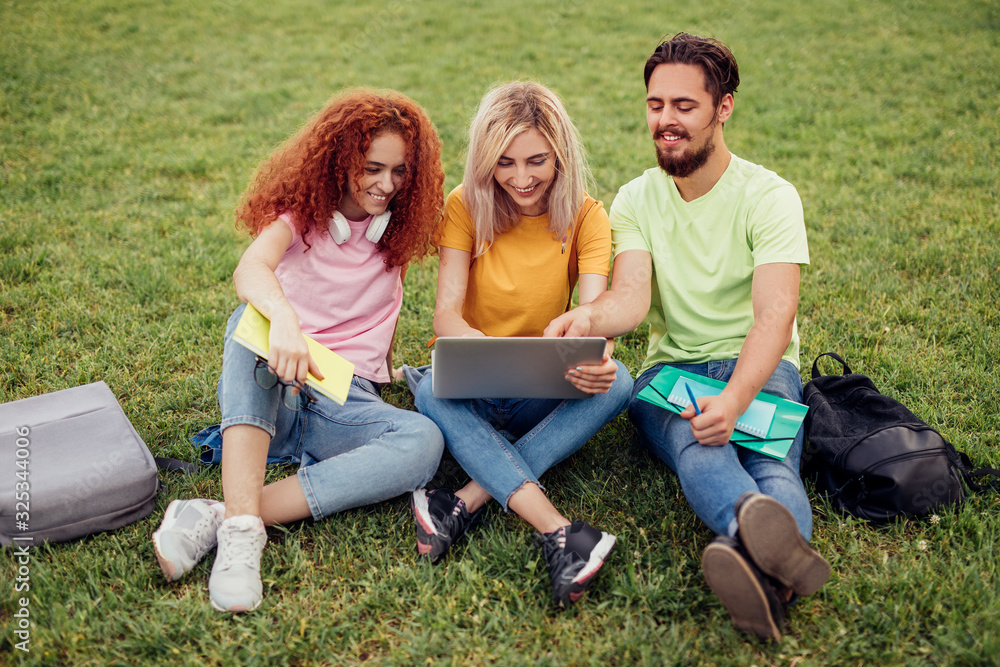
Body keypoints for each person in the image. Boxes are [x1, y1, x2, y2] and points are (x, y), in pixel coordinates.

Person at [545, 34, 830, 639]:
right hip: (670, 374)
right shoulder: (638, 199)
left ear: (723, 108)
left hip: (760, 365)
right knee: (700, 445)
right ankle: (764, 545)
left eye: (683, 106)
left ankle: (758, 566)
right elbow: (631, 298)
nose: (665, 121)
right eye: (655, 105)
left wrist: (733, 399)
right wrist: (588, 319)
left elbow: (773, 318)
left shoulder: (770, 196)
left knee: (774, 465)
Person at [151, 89, 447, 613]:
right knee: (250, 320)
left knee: (423, 440)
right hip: (277, 382)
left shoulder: (399, 225)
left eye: (400, 172)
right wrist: (285, 320)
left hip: (345, 398)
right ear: (339, 161)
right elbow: (250, 270)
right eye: (371, 168)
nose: (386, 185)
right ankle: (243, 542)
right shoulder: (299, 215)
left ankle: (226, 513)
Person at [404, 82, 632, 608]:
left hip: (541, 390)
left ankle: (465, 498)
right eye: (504, 162)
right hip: (477, 381)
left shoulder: (587, 216)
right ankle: (560, 531)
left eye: (537, 160)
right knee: (431, 391)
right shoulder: (464, 205)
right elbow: (446, 314)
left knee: (618, 383)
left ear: (561, 155)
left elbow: (592, 318)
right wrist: (484, 350)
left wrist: (599, 355)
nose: (522, 178)